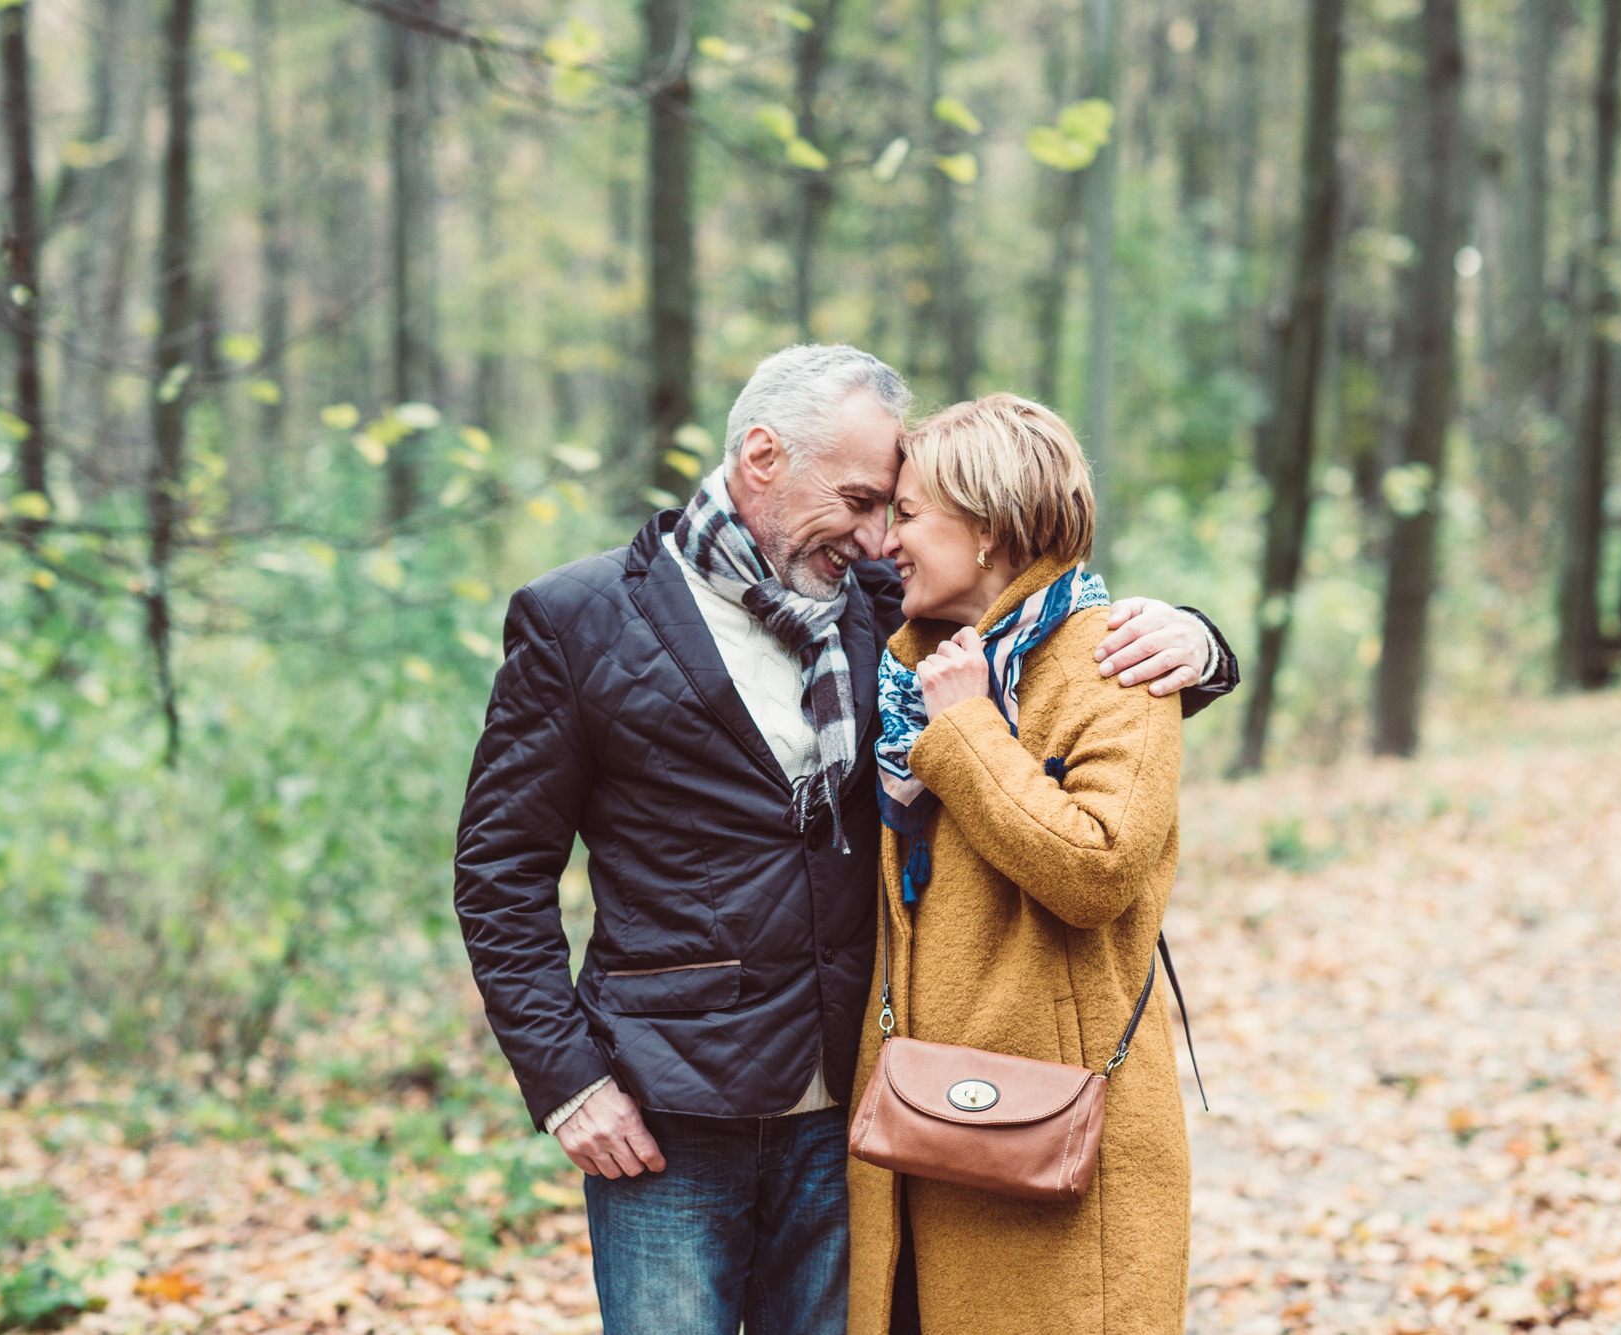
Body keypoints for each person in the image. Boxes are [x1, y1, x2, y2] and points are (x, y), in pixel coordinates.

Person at [454, 346, 1233, 1335]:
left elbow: (1043, 640)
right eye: (861, 500)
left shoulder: (878, 609)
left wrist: (1199, 643)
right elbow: (499, 872)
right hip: (664, 1117)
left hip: (857, 1114)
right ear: (763, 456)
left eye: (890, 510)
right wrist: (566, 1084)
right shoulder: (579, 620)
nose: (874, 536)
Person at [846, 393, 1193, 1335]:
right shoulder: (904, 666)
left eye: (909, 515)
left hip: (1057, 1157)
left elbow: (1096, 871)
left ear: (990, 528)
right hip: (916, 1142)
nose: (886, 542)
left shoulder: (1115, 662)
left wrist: (966, 732)